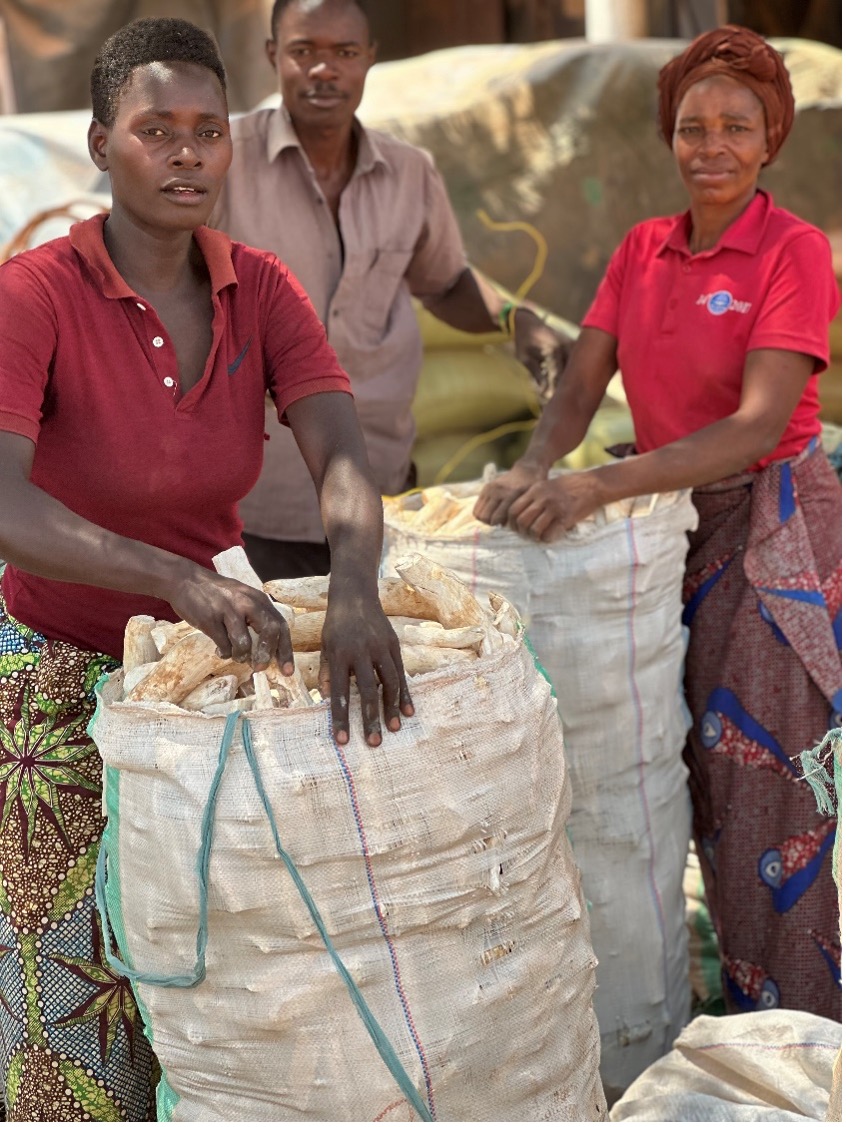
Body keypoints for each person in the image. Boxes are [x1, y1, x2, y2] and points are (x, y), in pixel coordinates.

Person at [0, 16, 413, 1120]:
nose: (186, 154)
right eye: (153, 130)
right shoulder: (36, 293)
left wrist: (357, 587)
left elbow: (340, 454)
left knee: (215, 975)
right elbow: (4, 502)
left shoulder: (260, 290)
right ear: (99, 144)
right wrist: (175, 575)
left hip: (189, 682)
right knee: (68, 986)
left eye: (205, 132)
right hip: (50, 675)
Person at [475, 26, 841, 1021]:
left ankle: (796, 1038)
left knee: (765, 793)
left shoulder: (794, 251)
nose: (711, 145)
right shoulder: (642, 247)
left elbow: (761, 421)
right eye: (691, 128)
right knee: (680, 777)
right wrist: (535, 468)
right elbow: (580, 380)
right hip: (668, 532)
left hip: (771, 536)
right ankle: (718, 1011)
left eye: (736, 126)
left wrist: (598, 487)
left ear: (773, 138)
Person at [211, 0, 569, 581]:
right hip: (257, 505)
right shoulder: (225, 158)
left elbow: (445, 280)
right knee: (265, 665)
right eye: (304, 52)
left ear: (370, 58)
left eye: (344, 53)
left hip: (378, 487)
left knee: (375, 657)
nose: (323, 70)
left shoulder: (409, 173)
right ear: (274, 55)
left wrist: (515, 318)